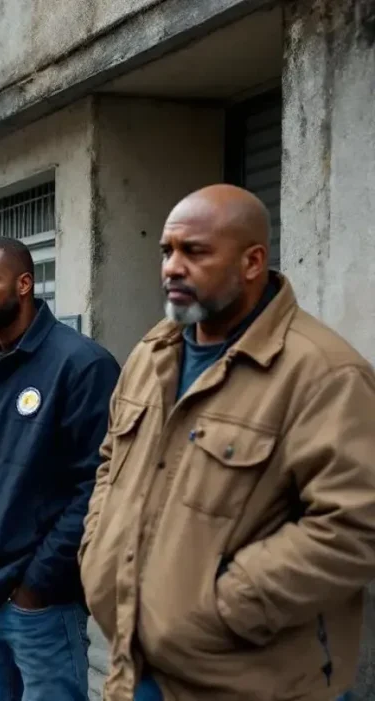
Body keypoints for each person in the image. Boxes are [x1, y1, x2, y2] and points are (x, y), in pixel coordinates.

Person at [78, 185, 375, 701]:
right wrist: (97, 551)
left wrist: (224, 606)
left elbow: (354, 526)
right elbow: (111, 464)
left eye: (194, 251)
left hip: (249, 679)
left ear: (252, 261)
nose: (172, 266)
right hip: (134, 664)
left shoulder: (324, 373)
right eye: (167, 251)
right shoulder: (152, 354)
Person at [0, 236, 120, 701]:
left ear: (25, 283)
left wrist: (39, 583)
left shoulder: (82, 365)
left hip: (38, 605)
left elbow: (97, 485)